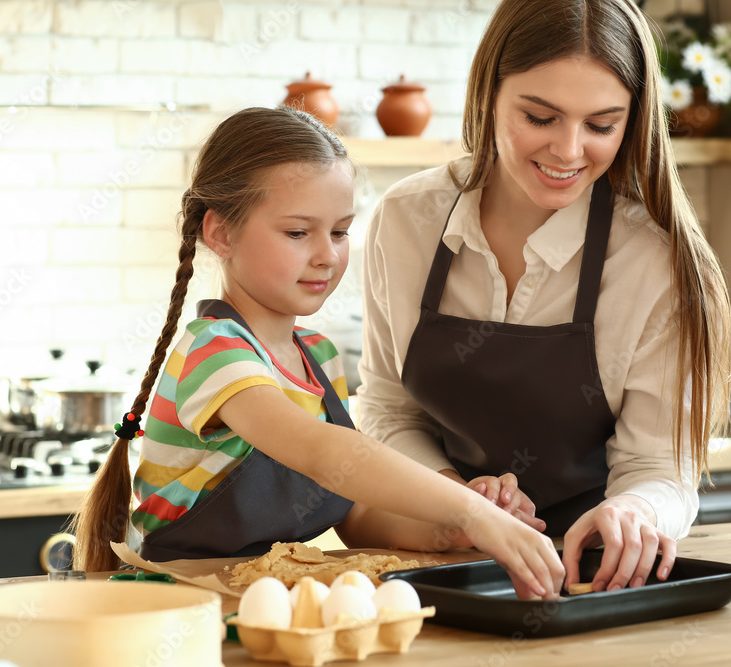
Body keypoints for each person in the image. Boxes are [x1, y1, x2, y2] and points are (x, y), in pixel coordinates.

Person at [72, 106, 564, 600]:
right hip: (174, 607)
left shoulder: (318, 356)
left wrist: (451, 528)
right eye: (297, 232)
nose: (327, 254)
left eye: (340, 231)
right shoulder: (215, 351)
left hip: (254, 605)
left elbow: (353, 508)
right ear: (221, 232)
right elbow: (325, 453)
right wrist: (466, 507)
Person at [357, 0, 731, 595]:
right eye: (540, 117)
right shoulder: (405, 220)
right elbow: (388, 409)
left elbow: (659, 470)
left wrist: (636, 514)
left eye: (602, 125)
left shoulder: (655, 264)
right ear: (488, 94)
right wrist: (458, 500)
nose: (568, 150)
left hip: (594, 581)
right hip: (439, 574)